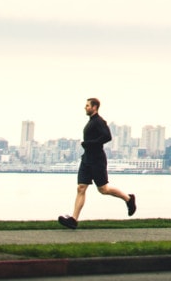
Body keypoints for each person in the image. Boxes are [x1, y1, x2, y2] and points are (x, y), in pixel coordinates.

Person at [58, 98, 136, 229]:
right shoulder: (90, 122)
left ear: (94, 107)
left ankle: (128, 198)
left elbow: (107, 136)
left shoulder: (99, 121)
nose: (85, 107)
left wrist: (90, 143)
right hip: (87, 158)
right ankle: (73, 220)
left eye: (87, 106)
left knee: (103, 189)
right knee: (81, 188)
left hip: (97, 159)